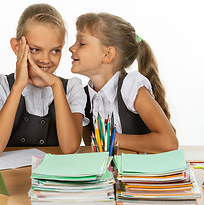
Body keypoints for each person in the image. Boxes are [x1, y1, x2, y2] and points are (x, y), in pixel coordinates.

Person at [0, 4, 86, 157]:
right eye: (35, 49)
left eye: (55, 50)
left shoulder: (71, 88)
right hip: (10, 178)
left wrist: (56, 85)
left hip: (52, 179)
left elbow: (69, 148)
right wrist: (18, 86)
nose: (45, 59)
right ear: (17, 47)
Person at [69, 12, 178, 154]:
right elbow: (95, 150)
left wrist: (111, 139)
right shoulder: (83, 96)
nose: (71, 48)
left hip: (141, 172)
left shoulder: (131, 87)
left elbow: (168, 142)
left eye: (81, 43)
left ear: (108, 54)